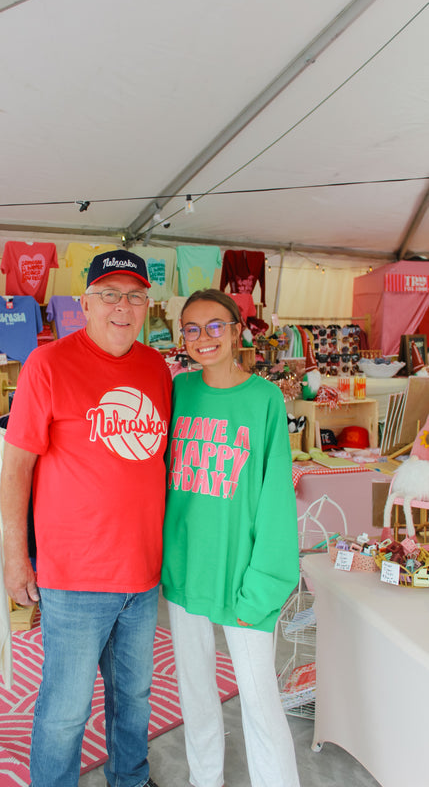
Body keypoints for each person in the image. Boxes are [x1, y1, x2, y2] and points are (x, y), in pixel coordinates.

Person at [0, 250, 172, 787]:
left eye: (135, 295)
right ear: (85, 302)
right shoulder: (46, 365)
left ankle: (132, 778)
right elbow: (14, 471)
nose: (123, 307)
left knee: (136, 697)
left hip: (142, 575)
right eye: (110, 294)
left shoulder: (156, 368)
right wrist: (14, 557)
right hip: (74, 577)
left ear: (147, 304)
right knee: (65, 710)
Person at [161, 289, 301, 787]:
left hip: (243, 574)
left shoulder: (262, 398)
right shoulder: (179, 392)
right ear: (183, 336)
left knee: (260, 701)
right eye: (193, 328)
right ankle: (205, 780)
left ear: (237, 330)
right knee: (195, 694)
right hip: (185, 569)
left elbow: (276, 497)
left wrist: (264, 581)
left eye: (215, 326)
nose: (204, 338)